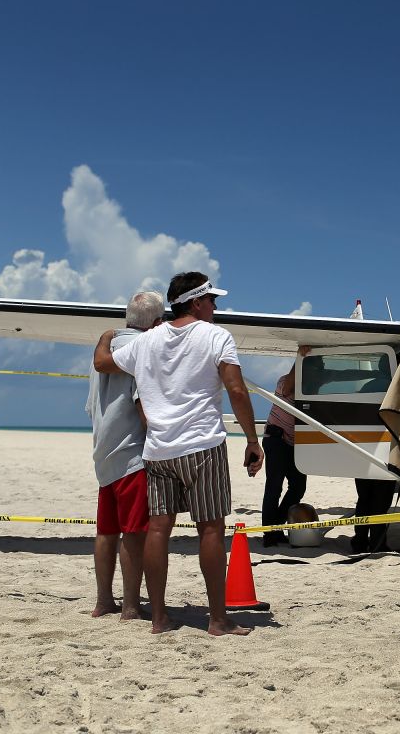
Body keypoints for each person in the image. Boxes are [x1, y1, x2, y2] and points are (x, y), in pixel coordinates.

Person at [94, 272, 264, 636]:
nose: (216, 306)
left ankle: (158, 618)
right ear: (196, 301)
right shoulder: (216, 335)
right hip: (203, 446)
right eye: (212, 300)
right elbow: (235, 389)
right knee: (211, 530)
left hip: (158, 450)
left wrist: (105, 336)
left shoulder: (147, 340)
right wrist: (252, 439)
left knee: (158, 530)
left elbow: (103, 364)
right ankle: (217, 620)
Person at [85, 291, 164, 620]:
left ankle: (104, 600)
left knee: (106, 531)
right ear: (156, 323)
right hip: (132, 453)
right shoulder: (140, 350)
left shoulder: (105, 348)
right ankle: (131, 605)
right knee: (134, 533)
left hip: (104, 452)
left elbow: (93, 405)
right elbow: (141, 404)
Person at [260, 346, 310, 547]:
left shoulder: (309, 390)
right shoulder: (284, 382)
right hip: (276, 439)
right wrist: (300, 357)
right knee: (274, 486)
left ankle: (276, 525)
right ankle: (269, 533)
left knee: (298, 485)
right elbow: (289, 386)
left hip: (294, 443)